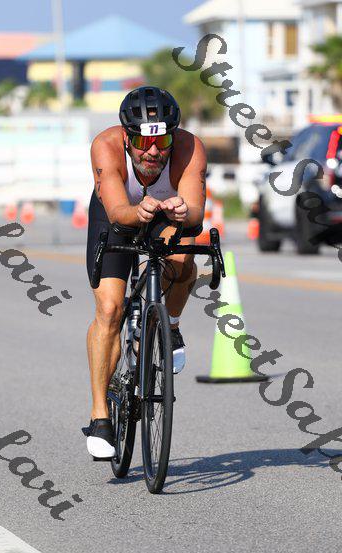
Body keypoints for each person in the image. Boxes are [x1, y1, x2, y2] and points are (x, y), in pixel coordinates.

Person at [83, 86, 207, 459]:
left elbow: (196, 213)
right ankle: (100, 415)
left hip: (166, 213)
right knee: (110, 309)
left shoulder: (189, 147)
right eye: (142, 142)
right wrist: (138, 212)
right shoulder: (105, 145)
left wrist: (183, 211)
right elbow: (119, 211)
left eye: (162, 141)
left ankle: (169, 325)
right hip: (118, 215)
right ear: (126, 137)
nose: (153, 152)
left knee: (183, 261)